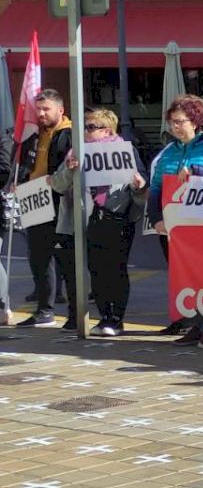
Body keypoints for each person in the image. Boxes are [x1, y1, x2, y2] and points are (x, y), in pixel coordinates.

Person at [49, 108, 147, 336]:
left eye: (91, 127)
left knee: (115, 269)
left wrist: (139, 185)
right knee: (96, 271)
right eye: (84, 127)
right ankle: (104, 317)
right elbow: (57, 184)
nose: (85, 131)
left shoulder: (125, 151)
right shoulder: (77, 152)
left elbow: (142, 188)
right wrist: (69, 171)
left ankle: (116, 319)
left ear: (108, 131)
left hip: (117, 217)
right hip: (87, 219)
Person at [150, 94, 203, 350]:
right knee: (185, 277)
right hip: (175, 228)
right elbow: (156, 188)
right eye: (172, 122)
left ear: (195, 122)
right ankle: (195, 326)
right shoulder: (169, 152)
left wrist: (196, 171)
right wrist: (156, 219)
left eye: (180, 121)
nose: (175, 126)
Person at [14, 90, 76, 329]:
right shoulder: (33, 133)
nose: (40, 113)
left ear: (60, 110)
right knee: (39, 258)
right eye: (38, 109)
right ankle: (44, 311)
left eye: (46, 109)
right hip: (34, 198)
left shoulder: (70, 134)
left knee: (66, 259)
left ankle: (75, 314)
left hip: (60, 200)